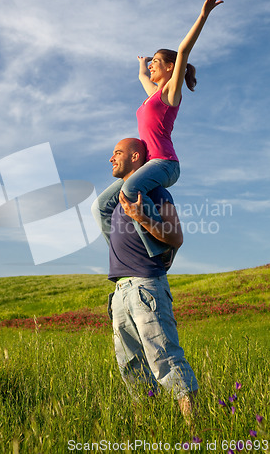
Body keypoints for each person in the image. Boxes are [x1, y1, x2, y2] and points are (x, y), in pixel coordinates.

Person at [92, 0, 225, 258]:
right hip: (149, 164)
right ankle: (119, 252)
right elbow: (143, 77)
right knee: (101, 206)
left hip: (165, 163)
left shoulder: (170, 94)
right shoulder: (152, 96)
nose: (151, 66)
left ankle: (160, 248)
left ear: (170, 68)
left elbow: (184, 50)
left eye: (155, 62)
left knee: (130, 189)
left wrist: (203, 15)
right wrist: (142, 64)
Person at [96, 137, 198, 424]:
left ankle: (194, 430)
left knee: (165, 358)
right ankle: (149, 429)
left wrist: (142, 217)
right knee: (131, 366)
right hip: (119, 290)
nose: (111, 158)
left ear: (136, 157)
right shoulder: (116, 203)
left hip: (146, 285)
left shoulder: (156, 193)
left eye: (117, 153)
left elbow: (176, 237)